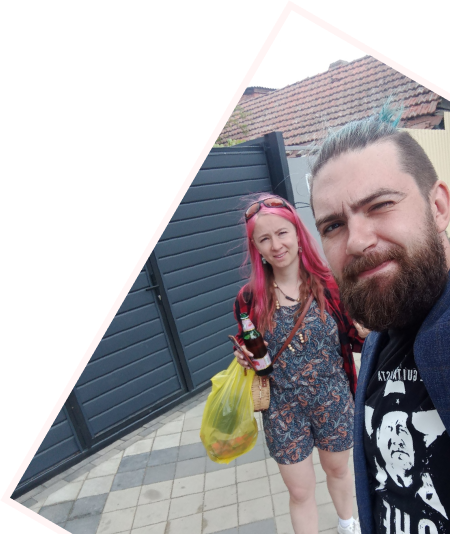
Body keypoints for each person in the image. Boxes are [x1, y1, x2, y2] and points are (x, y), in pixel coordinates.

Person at [309, 103, 450, 533]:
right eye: (333, 226)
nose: (357, 241)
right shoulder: (378, 340)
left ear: (439, 206)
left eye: (381, 204)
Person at [232, 194, 365, 534]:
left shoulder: (332, 286)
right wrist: (244, 359)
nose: (276, 245)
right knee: (300, 491)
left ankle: (347, 523)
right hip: (282, 409)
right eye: (264, 238)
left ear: (297, 234)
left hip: (333, 398)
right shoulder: (249, 298)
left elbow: (358, 339)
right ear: (256, 247)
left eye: (282, 233)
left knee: (338, 471)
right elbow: (252, 352)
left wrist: (368, 328)